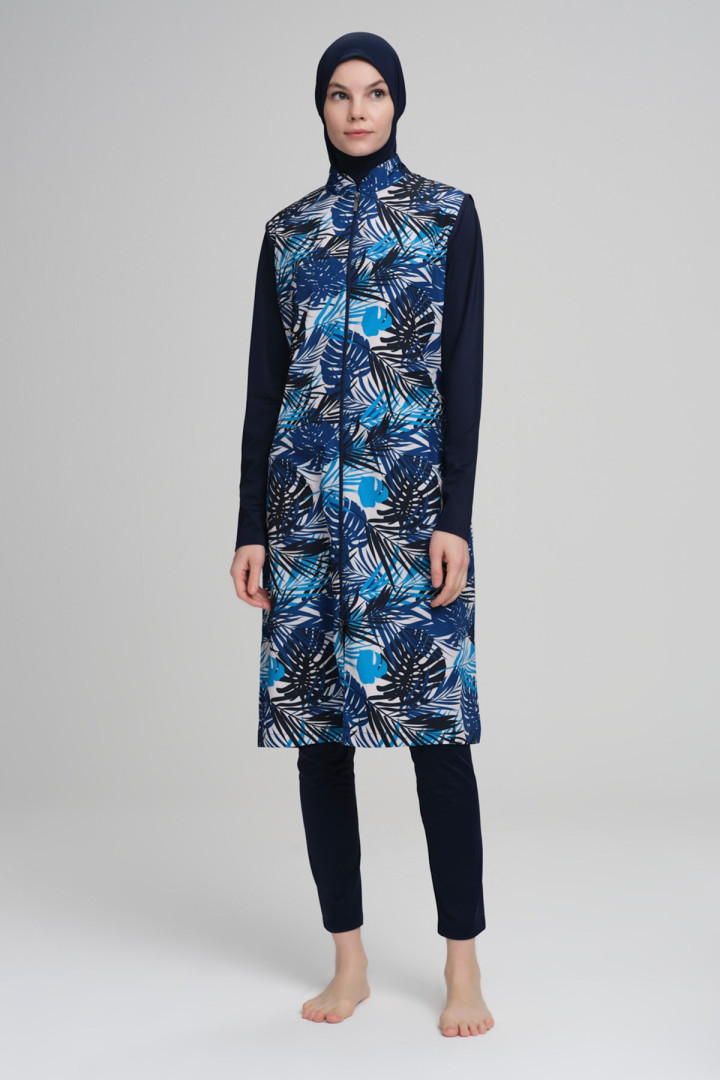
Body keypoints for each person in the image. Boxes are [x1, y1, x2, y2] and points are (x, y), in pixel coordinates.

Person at [230, 31, 494, 1037]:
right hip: (303, 520)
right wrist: (251, 526)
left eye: (374, 92)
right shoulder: (287, 232)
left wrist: (455, 517)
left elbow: (461, 377)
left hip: (408, 519)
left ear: (397, 103)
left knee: (440, 742)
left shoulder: (445, 216)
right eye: (339, 94)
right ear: (321, 108)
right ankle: (349, 962)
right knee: (319, 745)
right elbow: (265, 389)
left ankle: (463, 967)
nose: (356, 110)